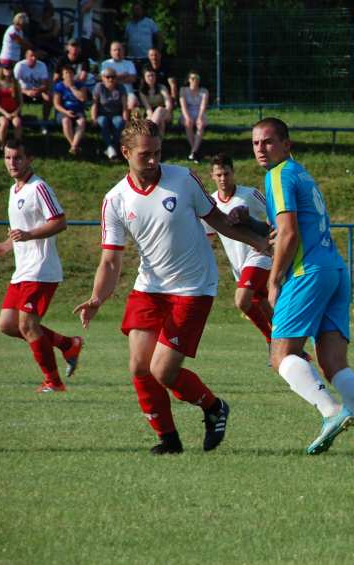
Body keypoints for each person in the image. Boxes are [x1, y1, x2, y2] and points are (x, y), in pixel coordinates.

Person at [73, 117, 272, 455]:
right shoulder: (116, 199)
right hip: (149, 287)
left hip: (194, 287)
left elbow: (219, 221)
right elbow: (110, 260)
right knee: (138, 366)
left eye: (157, 153)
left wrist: (259, 241)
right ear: (125, 153)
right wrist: (97, 297)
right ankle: (169, 439)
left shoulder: (182, 178)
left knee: (163, 370)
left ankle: (213, 407)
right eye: (145, 155)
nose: (153, 161)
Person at [240, 117, 354, 458]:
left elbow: (289, 233)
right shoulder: (301, 174)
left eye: (268, 142)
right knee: (334, 362)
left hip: (307, 272)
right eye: (256, 143)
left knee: (281, 355)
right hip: (335, 268)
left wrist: (274, 279)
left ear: (286, 144)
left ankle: (331, 413)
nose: (261, 149)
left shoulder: (276, 175)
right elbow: (289, 228)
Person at [0, 140, 84, 393]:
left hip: (41, 268)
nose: (12, 163)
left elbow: (59, 222)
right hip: (22, 270)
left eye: (17, 158)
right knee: (7, 324)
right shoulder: (13, 190)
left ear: (29, 159)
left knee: (27, 325)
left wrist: (28, 236)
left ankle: (54, 382)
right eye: (8, 158)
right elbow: (21, 231)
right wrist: (6, 246)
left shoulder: (39, 188)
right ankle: (67, 344)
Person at [202, 153, 275, 351]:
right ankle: (290, 346)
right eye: (219, 175)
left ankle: (272, 341)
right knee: (261, 304)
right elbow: (208, 236)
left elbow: (275, 215)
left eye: (226, 174)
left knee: (242, 300)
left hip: (259, 254)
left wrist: (266, 240)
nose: (223, 179)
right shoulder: (210, 203)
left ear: (233, 173)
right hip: (239, 264)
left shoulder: (249, 194)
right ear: (212, 176)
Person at [91, 68, 127, 160]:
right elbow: (94, 104)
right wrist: (93, 118)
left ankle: (113, 147)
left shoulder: (121, 87)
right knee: (102, 122)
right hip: (102, 114)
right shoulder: (99, 87)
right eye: (108, 77)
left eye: (113, 77)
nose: (110, 79)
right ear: (103, 78)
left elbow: (124, 106)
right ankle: (110, 147)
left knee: (119, 122)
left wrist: (126, 119)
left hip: (116, 114)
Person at [52, 65, 88, 155]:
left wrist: (72, 87)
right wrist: (66, 112)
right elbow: (56, 104)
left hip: (78, 111)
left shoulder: (80, 85)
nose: (68, 75)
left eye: (70, 73)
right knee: (66, 121)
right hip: (64, 112)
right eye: (66, 73)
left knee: (82, 122)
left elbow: (83, 98)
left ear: (74, 74)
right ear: (62, 75)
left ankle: (73, 147)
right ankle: (74, 146)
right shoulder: (59, 86)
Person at [14, 48, 51, 128]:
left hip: (38, 91)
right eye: (31, 56)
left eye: (35, 56)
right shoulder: (20, 66)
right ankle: (17, 118)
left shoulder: (42, 65)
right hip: (22, 91)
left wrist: (39, 90)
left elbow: (46, 85)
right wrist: (26, 92)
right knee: (14, 94)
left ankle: (45, 122)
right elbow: (13, 85)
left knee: (48, 97)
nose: (33, 58)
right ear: (26, 56)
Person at [178, 71, 207, 163]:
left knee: (201, 124)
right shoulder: (183, 90)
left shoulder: (204, 91)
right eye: (192, 78)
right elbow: (183, 106)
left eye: (196, 78)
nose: (194, 80)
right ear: (189, 80)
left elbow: (203, 106)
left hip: (199, 112)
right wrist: (187, 116)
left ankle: (193, 152)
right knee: (188, 123)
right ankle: (195, 151)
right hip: (187, 112)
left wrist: (199, 117)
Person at [100, 41, 138, 111]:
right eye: (115, 50)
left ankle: (130, 121)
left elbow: (133, 79)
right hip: (111, 93)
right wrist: (123, 75)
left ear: (123, 51)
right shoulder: (105, 64)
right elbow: (104, 79)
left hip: (128, 92)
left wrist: (112, 77)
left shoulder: (129, 63)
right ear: (111, 52)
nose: (117, 52)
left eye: (119, 50)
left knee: (133, 102)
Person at [0, 62, 23, 148]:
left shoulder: (16, 84)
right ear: (2, 70)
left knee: (17, 123)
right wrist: (6, 114)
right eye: (6, 68)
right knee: (4, 124)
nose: (8, 70)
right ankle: (2, 145)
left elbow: (21, 102)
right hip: (2, 112)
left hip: (14, 111)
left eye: (10, 68)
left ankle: (17, 145)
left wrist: (15, 112)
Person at [138, 67, 171, 136]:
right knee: (160, 122)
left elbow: (168, 103)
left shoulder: (162, 87)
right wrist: (152, 117)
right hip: (151, 113)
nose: (151, 78)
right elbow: (148, 108)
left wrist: (167, 111)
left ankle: (149, 132)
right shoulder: (142, 91)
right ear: (144, 78)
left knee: (159, 109)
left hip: (164, 111)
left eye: (152, 75)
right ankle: (158, 145)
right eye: (148, 76)